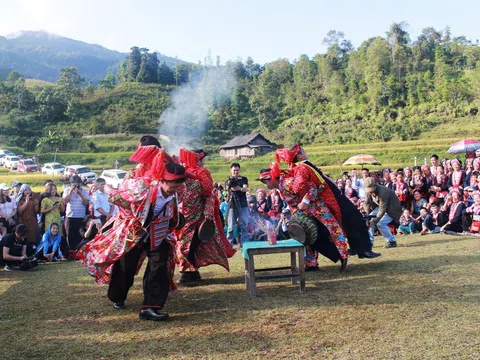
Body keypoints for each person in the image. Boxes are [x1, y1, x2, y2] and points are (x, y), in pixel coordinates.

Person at [79, 137, 186, 321]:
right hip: (133, 229)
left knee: (159, 265)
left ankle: (151, 306)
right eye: (171, 186)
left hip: (158, 232)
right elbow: (119, 195)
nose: (173, 190)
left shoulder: (176, 190)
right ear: (161, 180)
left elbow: (176, 209)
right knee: (125, 267)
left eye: (178, 187)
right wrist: (104, 188)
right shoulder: (141, 185)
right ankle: (117, 296)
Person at [276, 145, 380, 260]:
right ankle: (362, 249)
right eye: (303, 151)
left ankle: (359, 248)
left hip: (331, 196)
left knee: (351, 220)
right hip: (331, 198)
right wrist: (310, 192)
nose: (306, 152)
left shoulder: (303, 166)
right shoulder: (301, 168)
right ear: (299, 155)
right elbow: (298, 187)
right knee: (354, 218)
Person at [258, 164, 349, 272]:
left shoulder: (288, 183)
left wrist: (305, 202)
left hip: (316, 207)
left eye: (265, 182)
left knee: (332, 229)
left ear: (272, 178)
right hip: (300, 212)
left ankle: (343, 256)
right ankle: (311, 264)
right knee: (303, 236)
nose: (265, 185)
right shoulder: (279, 187)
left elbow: (312, 187)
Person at [175, 148, 235, 284]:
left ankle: (188, 273)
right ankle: (190, 272)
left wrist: (207, 215)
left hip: (192, 217)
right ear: (198, 160)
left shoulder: (191, 173)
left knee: (189, 245)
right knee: (186, 245)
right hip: (186, 217)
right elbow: (208, 195)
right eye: (203, 159)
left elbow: (208, 196)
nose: (204, 162)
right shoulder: (193, 173)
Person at [363, 177, 402, 248]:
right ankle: (369, 242)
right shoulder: (367, 191)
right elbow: (366, 203)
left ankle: (391, 241)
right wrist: (367, 214)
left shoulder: (383, 192)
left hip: (392, 210)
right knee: (369, 220)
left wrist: (374, 221)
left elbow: (382, 209)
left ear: (375, 185)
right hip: (380, 208)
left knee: (380, 223)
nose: (370, 192)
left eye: (371, 190)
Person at [63, 176, 90, 253]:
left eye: (78, 184)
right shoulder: (67, 190)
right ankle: (71, 252)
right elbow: (65, 201)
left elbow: (86, 203)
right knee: (70, 234)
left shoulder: (84, 191)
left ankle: (79, 251)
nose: (76, 185)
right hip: (70, 216)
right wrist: (71, 191)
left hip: (81, 216)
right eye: (74, 184)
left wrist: (80, 194)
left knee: (80, 234)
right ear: (70, 184)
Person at [225, 163, 249, 247]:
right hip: (232, 204)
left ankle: (245, 243)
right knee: (231, 226)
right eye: (234, 170)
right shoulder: (228, 180)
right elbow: (227, 193)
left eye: (237, 170)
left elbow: (245, 189)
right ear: (231, 170)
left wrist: (239, 188)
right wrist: (228, 188)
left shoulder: (243, 179)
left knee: (244, 223)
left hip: (243, 203)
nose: (236, 172)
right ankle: (229, 245)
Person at [16, 184, 39, 252]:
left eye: (29, 190)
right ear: (22, 191)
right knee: (25, 236)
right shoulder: (19, 200)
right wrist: (26, 202)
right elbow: (19, 211)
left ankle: (33, 251)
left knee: (33, 237)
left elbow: (36, 211)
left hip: (32, 221)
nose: (28, 191)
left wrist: (36, 204)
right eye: (26, 190)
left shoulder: (33, 199)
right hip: (23, 221)